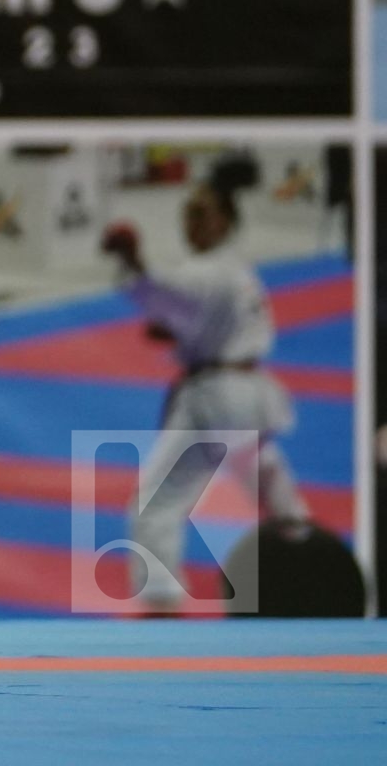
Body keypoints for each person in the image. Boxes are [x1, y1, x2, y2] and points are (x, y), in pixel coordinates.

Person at [100, 163, 310, 614]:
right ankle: (311, 564)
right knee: (275, 492)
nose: (190, 222)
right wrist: (182, 336)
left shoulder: (209, 270)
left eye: (201, 213)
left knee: (154, 505)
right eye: (187, 213)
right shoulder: (235, 270)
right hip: (246, 393)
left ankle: (159, 610)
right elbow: (203, 314)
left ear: (225, 221)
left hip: (218, 400)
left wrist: (134, 263)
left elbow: (169, 289)